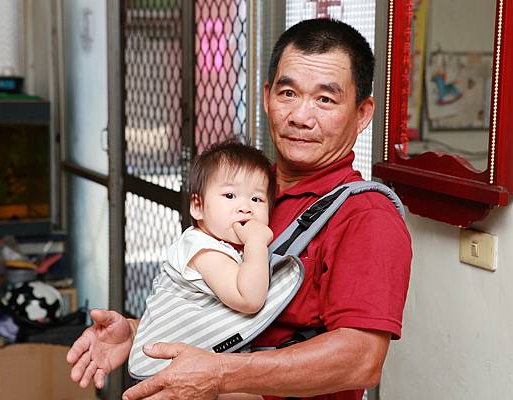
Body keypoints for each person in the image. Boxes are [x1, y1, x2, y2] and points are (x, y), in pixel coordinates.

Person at [67, 18, 412, 400]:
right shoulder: (244, 193)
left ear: (363, 114)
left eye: (325, 99)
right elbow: (222, 307)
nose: (300, 115)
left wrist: (219, 375)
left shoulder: (366, 217)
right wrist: (139, 334)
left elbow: (360, 359)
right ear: (267, 97)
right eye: (288, 93)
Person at [129, 140, 275, 375]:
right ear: (197, 206)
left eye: (256, 199)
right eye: (229, 195)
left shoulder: (218, 243)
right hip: (166, 370)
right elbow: (249, 299)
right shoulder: (203, 250)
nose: (245, 207)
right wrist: (256, 244)